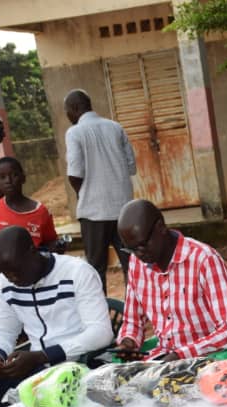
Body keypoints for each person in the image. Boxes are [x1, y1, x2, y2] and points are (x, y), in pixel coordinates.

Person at [0, 226, 113, 407]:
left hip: (80, 367)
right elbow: (4, 330)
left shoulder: (77, 272)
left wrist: (43, 355)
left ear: (32, 252)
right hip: (36, 370)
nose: (13, 279)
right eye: (6, 273)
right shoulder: (6, 281)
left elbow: (101, 333)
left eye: (16, 271)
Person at [112, 199, 227, 360]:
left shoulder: (204, 260)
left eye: (142, 245)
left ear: (160, 227)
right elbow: (133, 321)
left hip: (209, 358)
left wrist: (181, 354)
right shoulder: (137, 263)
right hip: (164, 357)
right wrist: (128, 342)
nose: (138, 254)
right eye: (131, 249)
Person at [64, 89, 137, 290]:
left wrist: (84, 193)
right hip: (124, 209)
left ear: (75, 108)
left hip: (94, 213)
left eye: (67, 111)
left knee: (96, 269)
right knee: (131, 265)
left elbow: (74, 173)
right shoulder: (115, 127)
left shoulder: (74, 132)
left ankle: (101, 313)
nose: (68, 116)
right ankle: (137, 311)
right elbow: (131, 166)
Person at [0, 157, 60, 251]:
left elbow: (51, 241)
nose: (8, 181)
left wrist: (56, 246)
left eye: (14, 175)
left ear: (23, 178)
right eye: (2, 177)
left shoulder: (40, 211)